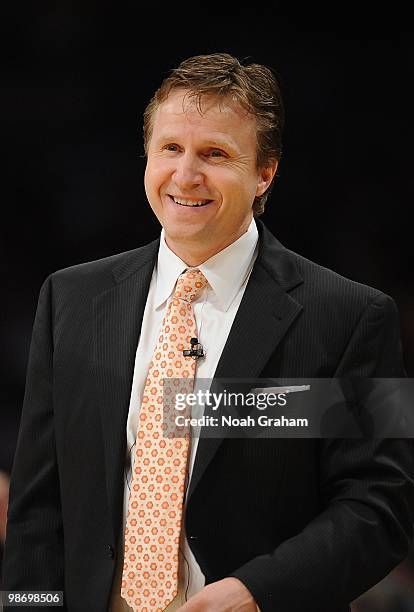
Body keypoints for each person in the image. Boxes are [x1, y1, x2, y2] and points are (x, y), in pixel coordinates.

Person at [2, 53, 413, 612]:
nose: (186, 175)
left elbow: (379, 504)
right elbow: (37, 507)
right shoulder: (71, 299)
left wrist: (259, 592)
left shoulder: (351, 315)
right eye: (171, 148)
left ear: (264, 172)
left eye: (215, 153)